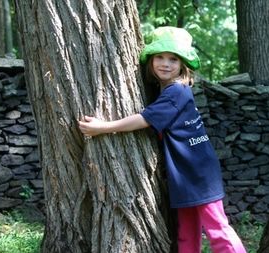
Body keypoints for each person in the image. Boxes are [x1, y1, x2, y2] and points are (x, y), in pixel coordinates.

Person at [78, 26, 246, 253]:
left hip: (199, 172)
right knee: (186, 230)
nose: (165, 64)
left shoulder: (177, 91)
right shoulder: (165, 90)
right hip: (183, 172)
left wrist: (103, 127)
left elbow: (145, 119)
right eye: (160, 57)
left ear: (183, 65)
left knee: (217, 228)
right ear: (151, 60)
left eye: (173, 59)